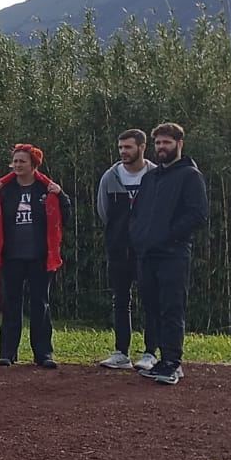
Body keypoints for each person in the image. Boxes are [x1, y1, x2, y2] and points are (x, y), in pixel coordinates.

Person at [0, 144, 70, 368]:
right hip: (11, 256)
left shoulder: (46, 189)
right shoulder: (3, 189)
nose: (18, 165)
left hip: (40, 256)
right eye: (15, 161)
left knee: (40, 304)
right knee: (11, 304)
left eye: (22, 162)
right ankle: (8, 353)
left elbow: (64, 215)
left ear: (33, 165)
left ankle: (43, 354)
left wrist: (61, 194)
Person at [129, 123, 208, 385]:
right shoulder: (150, 178)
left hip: (173, 254)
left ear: (179, 144)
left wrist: (169, 235)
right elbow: (139, 212)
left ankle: (173, 362)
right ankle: (160, 360)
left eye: (167, 143)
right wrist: (139, 236)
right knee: (152, 308)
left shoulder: (190, 176)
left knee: (172, 308)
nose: (162, 148)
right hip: (147, 254)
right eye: (159, 143)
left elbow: (197, 215)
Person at [94, 128, 153, 371]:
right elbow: (104, 211)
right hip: (119, 249)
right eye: (120, 148)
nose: (123, 152)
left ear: (142, 147)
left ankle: (151, 353)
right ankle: (121, 352)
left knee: (151, 301)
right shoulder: (110, 177)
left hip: (149, 249)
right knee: (120, 300)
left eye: (128, 147)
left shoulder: (156, 175)